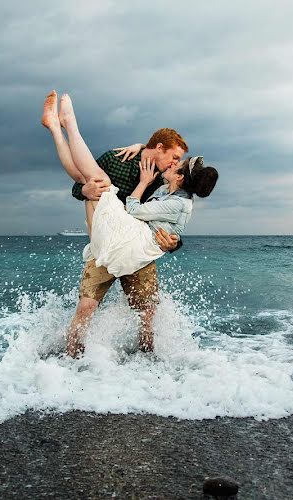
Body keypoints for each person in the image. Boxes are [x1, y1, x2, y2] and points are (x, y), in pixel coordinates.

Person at [41, 90, 218, 357]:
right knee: (86, 306)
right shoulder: (116, 159)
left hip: (137, 247)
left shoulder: (164, 179)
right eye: (173, 157)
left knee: (147, 312)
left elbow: (172, 217)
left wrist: (175, 243)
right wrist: (85, 192)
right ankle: (71, 357)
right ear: (159, 148)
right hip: (109, 238)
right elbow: (80, 184)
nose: (174, 164)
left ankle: (147, 360)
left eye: (177, 162)